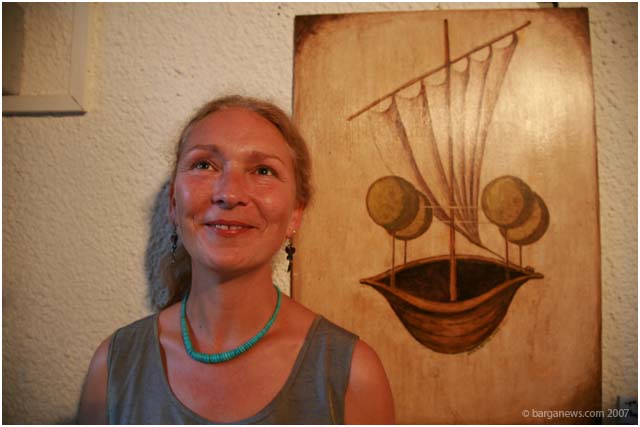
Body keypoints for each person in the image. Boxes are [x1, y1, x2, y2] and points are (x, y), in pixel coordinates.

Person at [77, 95, 395, 424]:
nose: (229, 194)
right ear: (174, 202)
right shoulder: (113, 369)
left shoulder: (352, 377)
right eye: (204, 165)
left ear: (295, 214)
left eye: (263, 170)